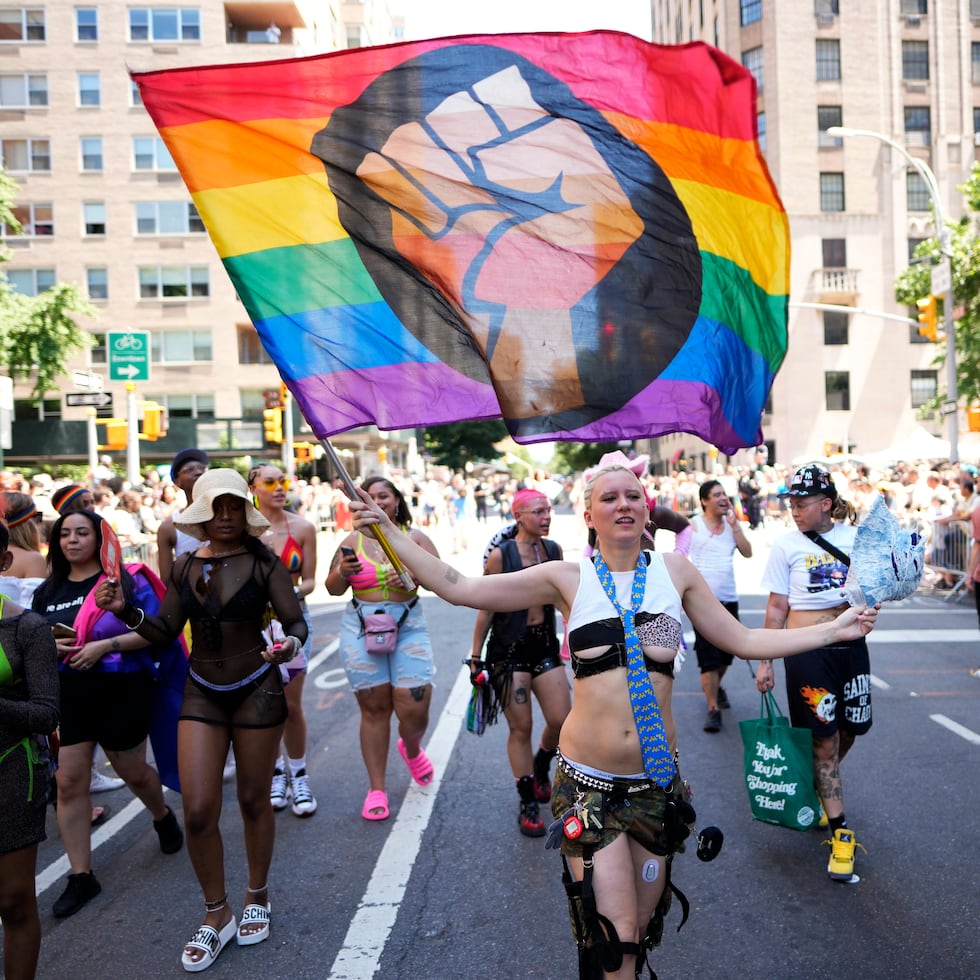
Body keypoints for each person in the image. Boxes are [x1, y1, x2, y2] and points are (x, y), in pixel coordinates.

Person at [348, 460, 878, 979]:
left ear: (647, 511)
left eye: (633, 496)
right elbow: (456, 585)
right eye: (609, 497)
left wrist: (833, 631)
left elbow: (743, 640)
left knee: (643, 928)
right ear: (588, 516)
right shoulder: (566, 577)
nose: (623, 504)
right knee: (617, 936)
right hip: (588, 786)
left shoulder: (676, 573)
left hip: (656, 786)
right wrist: (388, 531)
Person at [95, 468, 307, 971]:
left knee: (255, 800)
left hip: (258, 686)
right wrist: (127, 611)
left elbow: (295, 619)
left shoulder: (264, 564)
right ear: (202, 516)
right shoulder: (185, 565)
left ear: (244, 511)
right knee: (196, 810)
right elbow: (166, 629)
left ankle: (258, 895)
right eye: (218, 509)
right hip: (202, 693)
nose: (228, 516)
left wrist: (291, 642)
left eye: (235, 506)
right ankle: (217, 913)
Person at [31, 510, 184, 919]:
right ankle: (82, 876)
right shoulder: (47, 591)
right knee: (69, 781)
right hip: (69, 692)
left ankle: (162, 814)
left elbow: (155, 630)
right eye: (64, 533)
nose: (72, 540)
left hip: (123, 687)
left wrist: (105, 645)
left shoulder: (126, 579)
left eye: (83, 532)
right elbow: (34, 638)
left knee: (133, 771)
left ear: (102, 539)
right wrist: (50, 644)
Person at [756, 463, 870, 884]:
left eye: (802, 503)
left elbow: (872, 587)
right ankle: (842, 836)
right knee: (823, 741)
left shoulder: (855, 539)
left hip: (852, 648)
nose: (795, 511)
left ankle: (821, 783)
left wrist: (875, 608)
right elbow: (775, 608)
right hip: (807, 651)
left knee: (852, 729)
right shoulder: (787, 545)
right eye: (792, 503)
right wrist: (766, 661)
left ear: (826, 504)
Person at [325, 476, 439, 822]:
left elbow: (441, 578)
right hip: (362, 627)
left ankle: (412, 746)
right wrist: (343, 572)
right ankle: (376, 788)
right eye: (369, 497)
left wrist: (415, 574)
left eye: (383, 496)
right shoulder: (350, 541)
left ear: (396, 501)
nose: (376, 502)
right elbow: (331, 588)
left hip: (408, 627)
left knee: (414, 707)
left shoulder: (415, 538)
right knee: (374, 709)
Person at [469, 488, 570, 837]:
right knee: (520, 727)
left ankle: (542, 765)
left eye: (548, 510)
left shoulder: (553, 550)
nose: (546, 516)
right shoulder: (501, 555)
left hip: (543, 646)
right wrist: (475, 655)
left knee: (562, 720)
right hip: (507, 652)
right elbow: (486, 606)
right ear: (519, 516)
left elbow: (565, 599)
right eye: (539, 511)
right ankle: (527, 799)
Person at [0, 520, 59, 980]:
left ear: (3, 563)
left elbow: (46, 715)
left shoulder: (28, 628)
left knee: (14, 901)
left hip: (13, 773)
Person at [248, 463, 318, 818]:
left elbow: (310, 582)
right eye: (270, 482)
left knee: (291, 705)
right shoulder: (244, 530)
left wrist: (286, 592)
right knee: (264, 704)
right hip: (252, 626)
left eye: (283, 481)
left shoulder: (303, 527)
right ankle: (276, 772)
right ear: (253, 487)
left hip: (292, 622)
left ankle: (299, 773)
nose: (279, 487)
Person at [688, 479, 752, 732]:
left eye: (724, 494)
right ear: (704, 501)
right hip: (702, 602)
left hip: (729, 600)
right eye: (717, 495)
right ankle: (713, 708)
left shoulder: (730, 525)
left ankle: (716, 686)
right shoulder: (693, 525)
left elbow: (748, 552)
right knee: (709, 658)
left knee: (727, 654)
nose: (723, 498)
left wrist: (736, 528)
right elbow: (679, 553)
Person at [158, 449, 210, 585]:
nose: (198, 472)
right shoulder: (169, 527)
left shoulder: (228, 517)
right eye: (190, 470)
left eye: (202, 468)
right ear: (178, 482)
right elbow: (166, 579)